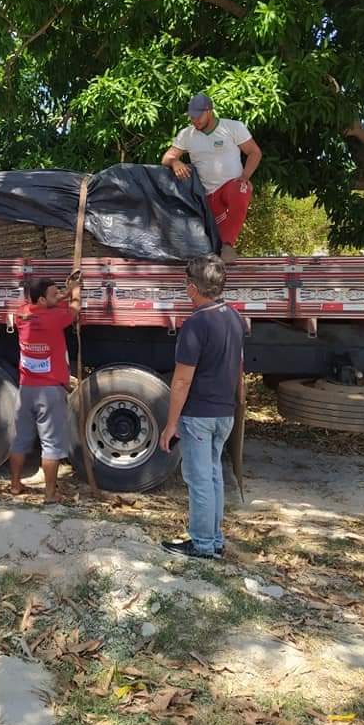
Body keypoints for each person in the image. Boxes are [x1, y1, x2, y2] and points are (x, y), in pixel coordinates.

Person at [159, 254, 245, 560]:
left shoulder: (195, 325)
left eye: (186, 284)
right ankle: (215, 539)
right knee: (213, 476)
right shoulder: (233, 316)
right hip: (224, 412)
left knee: (198, 481)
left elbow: (181, 382)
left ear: (193, 287)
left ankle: (203, 545)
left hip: (199, 416)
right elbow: (238, 368)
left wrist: (171, 424)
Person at [162, 94, 262, 263]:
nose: (194, 121)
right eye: (191, 117)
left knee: (242, 188)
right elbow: (166, 157)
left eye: (197, 116)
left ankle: (228, 245)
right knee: (209, 250)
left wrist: (245, 177)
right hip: (206, 199)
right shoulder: (187, 134)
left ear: (208, 111)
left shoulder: (233, 127)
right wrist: (175, 161)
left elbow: (255, 152)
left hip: (230, 189)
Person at [9, 274, 80, 503]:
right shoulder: (56, 318)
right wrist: (75, 292)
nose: (58, 297)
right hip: (49, 390)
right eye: (53, 294)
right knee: (51, 444)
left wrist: (62, 293)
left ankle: (15, 485)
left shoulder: (21, 314)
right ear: (41, 300)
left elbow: (48, 304)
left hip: (26, 388)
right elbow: (75, 310)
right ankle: (50, 494)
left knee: (20, 440)